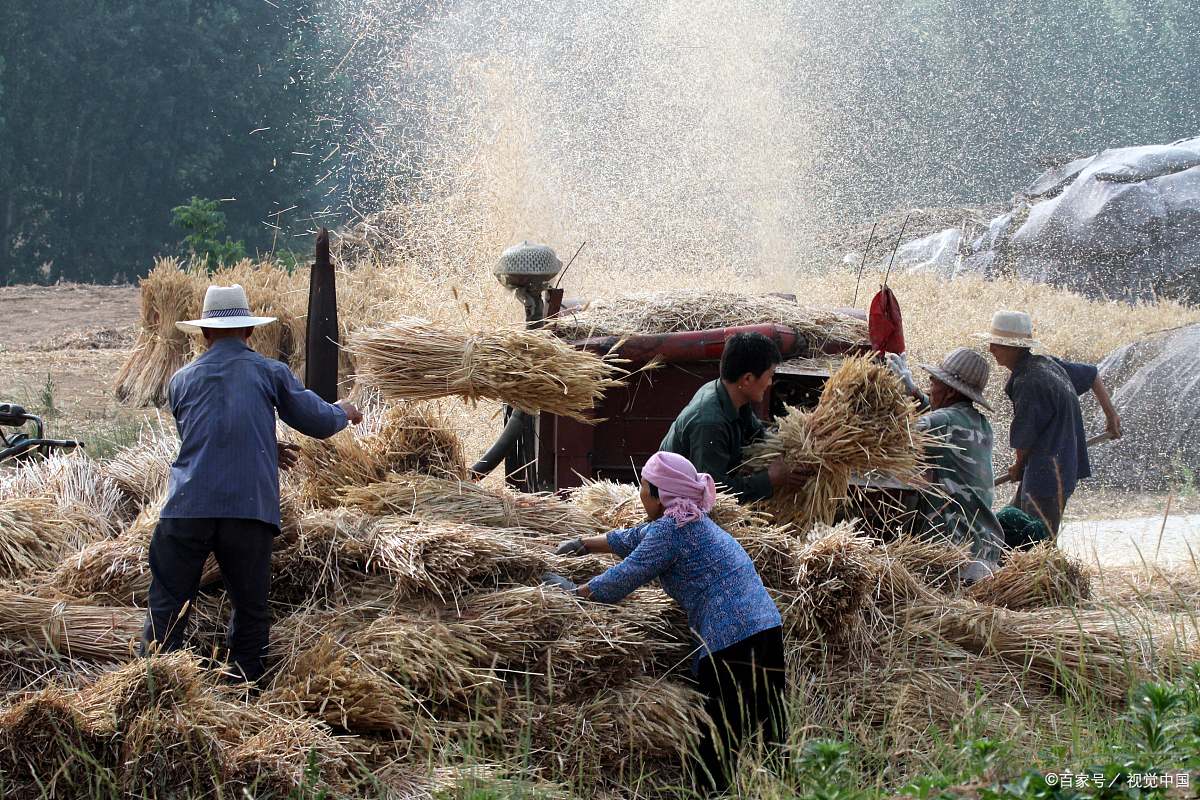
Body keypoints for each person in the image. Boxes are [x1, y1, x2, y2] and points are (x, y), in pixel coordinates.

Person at [141, 284, 363, 685]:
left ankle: (155, 692)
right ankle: (242, 693)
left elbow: (200, 436)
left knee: (167, 606)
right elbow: (316, 422)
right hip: (247, 510)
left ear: (204, 333)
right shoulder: (269, 372)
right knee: (249, 609)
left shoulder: (181, 380)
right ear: (250, 331)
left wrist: (261, 444)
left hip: (187, 508)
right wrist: (342, 411)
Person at [546, 451, 786, 795]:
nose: (640, 493)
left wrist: (574, 592)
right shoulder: (689, 520)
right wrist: (583, 544)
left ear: (659, 495)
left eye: (644, 487)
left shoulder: (671, 532)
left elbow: (625, 577)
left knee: (717, 739)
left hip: (731, 638)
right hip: (766, 626)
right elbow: (634, 538)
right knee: (772, 727)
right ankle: (789, 789)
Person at [972, 310, 1122, 536]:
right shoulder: (1047, 364)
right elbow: (1092, 375)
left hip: (1047, 476)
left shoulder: (1028, 381)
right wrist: (1111, 416)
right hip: (1053, 468)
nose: (991, 349)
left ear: (1017, 347)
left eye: (998, 344)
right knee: (1008, 526)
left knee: (1037, 540)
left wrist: (1019, 464)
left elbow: (1024, 436)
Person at [887, 347, 1006, 577]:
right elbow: (942, 420)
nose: (929, 390)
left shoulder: (943, 423)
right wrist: (914, 393)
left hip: (953, 556)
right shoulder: (981, 425)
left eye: (933, 383)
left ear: (950, 391)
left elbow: (890, 437)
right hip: (984, 551)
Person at [660, 330, 808, 504]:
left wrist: (797, 442)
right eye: (770, 376)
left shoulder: (733, 397)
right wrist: (769, 479)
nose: (770, 383)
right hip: (673, 503)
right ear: (747, 379)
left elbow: (760, 437)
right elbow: (714, 493)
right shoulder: (710, 423)